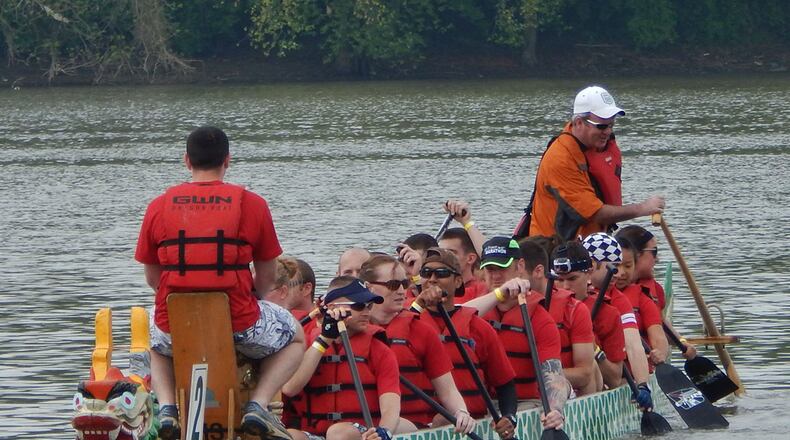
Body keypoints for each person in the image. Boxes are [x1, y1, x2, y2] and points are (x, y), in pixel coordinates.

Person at [134, 126, 304, 440]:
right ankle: (258, 405)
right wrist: (248, 297)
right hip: (239, 322)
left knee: (155, 344)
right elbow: (267, 278)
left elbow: (152, 278)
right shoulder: (252, 204)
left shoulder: (158, 206)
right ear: (227, 160)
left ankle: (169, 408)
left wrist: (186, 302)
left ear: (187, 160)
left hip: (176, 323)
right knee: (296, 338)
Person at [525, 85, 665, 241]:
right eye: (601, 126)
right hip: (556, 253)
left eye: (611, 125)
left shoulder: (599, 146)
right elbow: (594, 213)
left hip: (591, 247)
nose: (607, 132)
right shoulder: (560, 158)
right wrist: (642, 208)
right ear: (578, 122)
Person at [410, 248, 519, 439]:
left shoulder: (479, 328)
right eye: (426, 273)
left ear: (458, 281)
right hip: (419, 426)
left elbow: (505, 385)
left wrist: (509, 416)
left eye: (441, 274)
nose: (432, 279)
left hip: (469, 425)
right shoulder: (409, 321)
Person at [462, 237, 569, 430]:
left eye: (501, 269)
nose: (495, 277)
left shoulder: (540, 318)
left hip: (525, 403)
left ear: (520, 266)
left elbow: (554, 376)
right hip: (477, 404)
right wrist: (499, 295)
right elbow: (454, 320)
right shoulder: (473, 300)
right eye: (489, 270)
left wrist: (554, 410)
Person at [360, 255, 475, 433]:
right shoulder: (352, 331)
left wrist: (462, 413)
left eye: (404, 284)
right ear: (368, 287)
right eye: (392, 285)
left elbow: (448, 391)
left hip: (412, 427)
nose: (400, 291)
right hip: (362, 424)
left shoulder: (422, 331)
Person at [282, 277, 403, 440]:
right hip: (316, 433)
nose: (367, 312)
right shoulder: (308, 344)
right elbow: (290, 388)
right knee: (288, 436)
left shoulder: (380, 350)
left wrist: (384, 430)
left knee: (338, 433)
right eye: (359, 306)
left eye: (370, 305)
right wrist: (324, 341)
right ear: (332, 307)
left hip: (364, 432)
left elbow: (391, 404)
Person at [581, 232, 653, 409]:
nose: (619, 273)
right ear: (592, 265)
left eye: (621, 265)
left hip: (606, 374)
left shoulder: (618, 299)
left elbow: (633, 344)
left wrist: (643, 385)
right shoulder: (569, 289)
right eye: (612, 266)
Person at [551, 240, 626, 391]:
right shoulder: (543, 309)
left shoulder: (608, 314)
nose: (565, 287)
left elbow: (615, 380)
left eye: (572, 279)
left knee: (591, 366)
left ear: (589, 273)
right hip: (551, 388)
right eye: (559, 280)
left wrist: (595, 349)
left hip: (590, 390)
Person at [615, 225, 698, 360]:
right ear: (636, 254)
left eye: (627, 266)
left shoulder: (650, 292)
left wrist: (682, 343)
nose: (657, 259)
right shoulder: (595, 291)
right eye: (654, 252)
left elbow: (660, 324)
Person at [612, 237, 669, 369]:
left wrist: (660, 353)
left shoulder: (642, 298)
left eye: (627, 266)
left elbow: (658, 336)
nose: (621, 273)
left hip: (638, 366)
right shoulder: (588, 297)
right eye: (615, 265)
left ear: (635, 265)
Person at [438, 228, 489, 301]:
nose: (442, 258)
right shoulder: (431, 287)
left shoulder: (482, 290)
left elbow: (487, 255)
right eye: (440, 252)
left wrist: (467, 223)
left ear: (470, 259)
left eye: (450, 253)